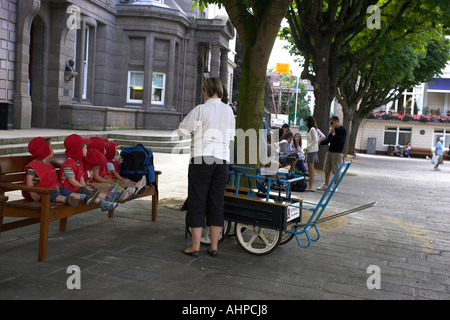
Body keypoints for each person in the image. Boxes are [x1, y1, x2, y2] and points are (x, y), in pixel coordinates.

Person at [177, 77, 235, 258]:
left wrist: (197, 130)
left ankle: (195, 247)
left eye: (203, 90)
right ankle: (214, 246)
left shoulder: (201, 109)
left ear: (206, 90)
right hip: (222, 159)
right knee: (217, 201)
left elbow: (182, 130)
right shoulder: (229, 111)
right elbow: (231, 135)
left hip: (201, 156)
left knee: (197, 200)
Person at [59, 134, 120, 211]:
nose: (87, 150)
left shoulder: (78, 162)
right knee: (85, 191)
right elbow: (72, 180)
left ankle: (108, 197)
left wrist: (84, 185)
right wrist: (83, 187)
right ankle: (101, 203)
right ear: (78, 150)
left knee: (91, 189)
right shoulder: (68, 164)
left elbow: (80, 176)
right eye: (85, 148)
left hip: (76, 187)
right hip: (67, 189)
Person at [23, 137, 80, 207]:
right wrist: (32, 192)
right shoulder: (33, 165)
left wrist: (56, 185)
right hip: (38, 195)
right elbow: (29, 179)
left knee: (64, 190)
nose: (52, 150)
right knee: (53, 195)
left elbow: (52, 179)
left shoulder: (48, 165)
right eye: (50, 148)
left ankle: (83, 197)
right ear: (44, 150)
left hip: (48, 191)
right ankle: (67, 200)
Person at [317, 116, 347, 192]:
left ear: (336, 121)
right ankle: (326, 185)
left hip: (337, 152)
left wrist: (333, 134)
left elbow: (340, 140)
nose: (331, 125)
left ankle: (335, 185)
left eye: (332, 123)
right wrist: (320, 143)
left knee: (336, 170)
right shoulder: (333, 130)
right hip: (330, 151)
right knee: (327, 169)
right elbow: (328, 140)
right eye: (330, 123)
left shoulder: (343, 130)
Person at [303, 116, 319, 191]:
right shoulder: (310, 130)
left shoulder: (312, 129)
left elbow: (315, 140)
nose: (305, 123)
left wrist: (307, 147)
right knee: (310, 169)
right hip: (310, 151)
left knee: (311, 169)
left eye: (306, 121)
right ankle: (309, 186)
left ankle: (310, 186)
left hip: (312, 151)